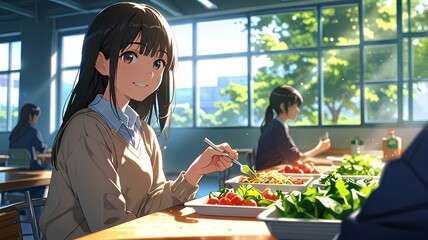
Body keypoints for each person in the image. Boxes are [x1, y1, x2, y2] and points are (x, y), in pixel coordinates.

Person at [39, 3, 237, 239]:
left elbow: (151, 206)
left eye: (158, 63)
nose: (148, 74)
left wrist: (194, 173)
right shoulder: (86, 129)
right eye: (130, 56)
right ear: (102, 62)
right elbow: (109, 225)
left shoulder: (143, 131)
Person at [255, 85, 331, 170]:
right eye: (295, 106)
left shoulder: (278, 125)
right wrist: (320, 148)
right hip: (266, 174)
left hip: (272, 171)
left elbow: (294, 156)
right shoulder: (277, 128)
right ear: (283, 107)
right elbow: (295, 158)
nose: (298, 110)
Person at [9, 103, 51, 198]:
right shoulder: (33, 132)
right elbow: (43, 149)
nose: (37, 118)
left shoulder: (14, 132)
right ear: (30, 116)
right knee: (49, 168)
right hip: (30, 178)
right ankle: (40, 210)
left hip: (15, 176)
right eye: (36, 116)